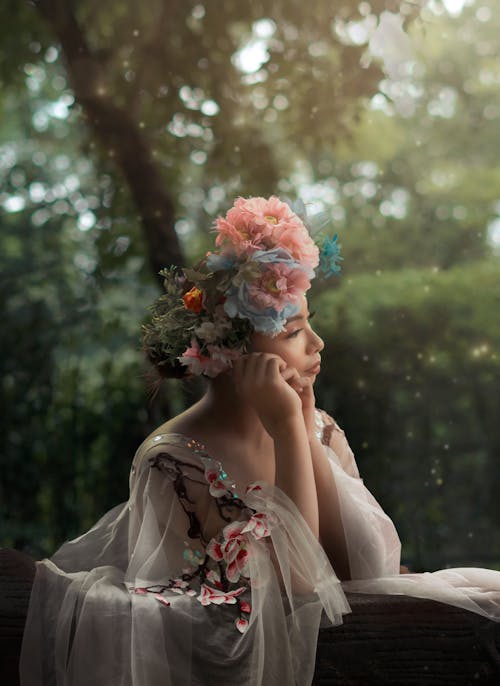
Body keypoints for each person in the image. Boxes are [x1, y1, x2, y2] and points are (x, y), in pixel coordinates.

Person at [20, 196, 500, 686]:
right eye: (294, 331)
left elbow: (358, 566)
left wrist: (305, 423)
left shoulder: (318, 426)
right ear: (233, 350)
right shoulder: (173, 460)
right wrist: (288, 431)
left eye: (309, 324)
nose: (317, 344)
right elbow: (301, 591)